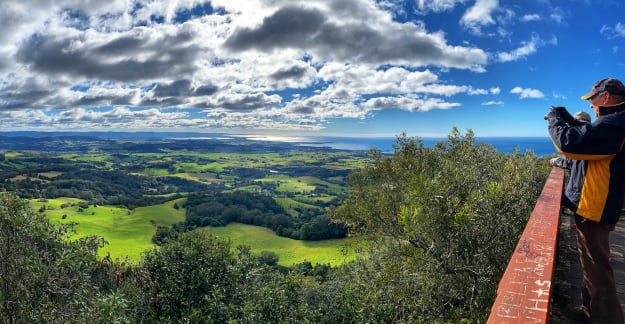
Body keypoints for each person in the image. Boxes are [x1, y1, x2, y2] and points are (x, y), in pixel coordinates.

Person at [546, 77, 625, 323]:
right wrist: (570, 120)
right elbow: (588, 142)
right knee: (591, 267)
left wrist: (555, 120)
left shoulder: (616, 123)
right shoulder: (614, 122)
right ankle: (587, 312)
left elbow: (569, 143)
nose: (591, 105)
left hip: (596, 208)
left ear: (607, 97)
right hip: (594, 206)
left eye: (593, 99)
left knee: (600, 275)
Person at [548, 111, 591, 252]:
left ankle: (588, 251)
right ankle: (587, 248)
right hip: (592, 193)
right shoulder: (594, 140)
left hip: (582, 193)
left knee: (588, 226)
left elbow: (567, 160)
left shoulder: (582, 141)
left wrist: (554, 161)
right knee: (589, 226)